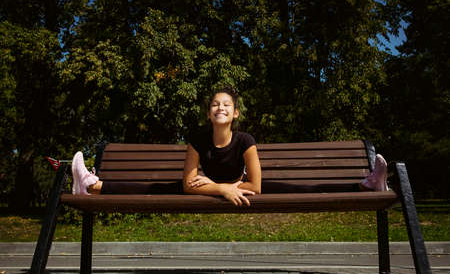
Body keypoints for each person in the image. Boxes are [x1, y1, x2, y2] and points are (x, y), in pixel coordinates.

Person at [71, 86, 388, 206]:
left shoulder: (245, 140)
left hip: (240, 186)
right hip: (216, 186)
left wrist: (216, 184)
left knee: (301, 186)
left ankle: (366, 185)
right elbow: (187, 184)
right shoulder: (197, 139)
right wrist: (223, 190)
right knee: (155, 185)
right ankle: (91, 184)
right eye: (214, 104)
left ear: (234, 113)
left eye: (226, 104)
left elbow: (257, 185)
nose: (220, 107)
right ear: (209, 113)